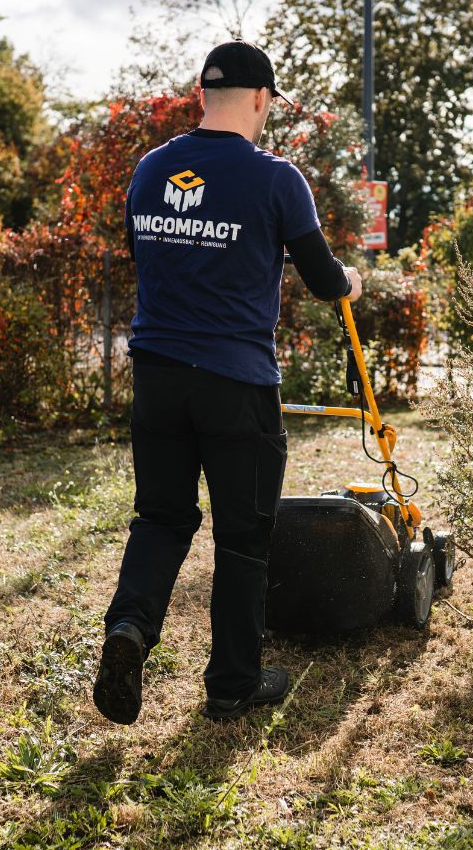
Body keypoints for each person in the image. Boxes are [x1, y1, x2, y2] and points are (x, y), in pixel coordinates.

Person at [93, 39, 362, 725]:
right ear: (262, 99)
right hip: (235, 385)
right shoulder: (275, 177)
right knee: (242, 536)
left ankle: (128, 629)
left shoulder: (152, 170)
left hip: (155, 375)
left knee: (161, 517)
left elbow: (142, 256)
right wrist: (351, 280)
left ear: (203, 94)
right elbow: (324, 278)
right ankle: (231, 685)